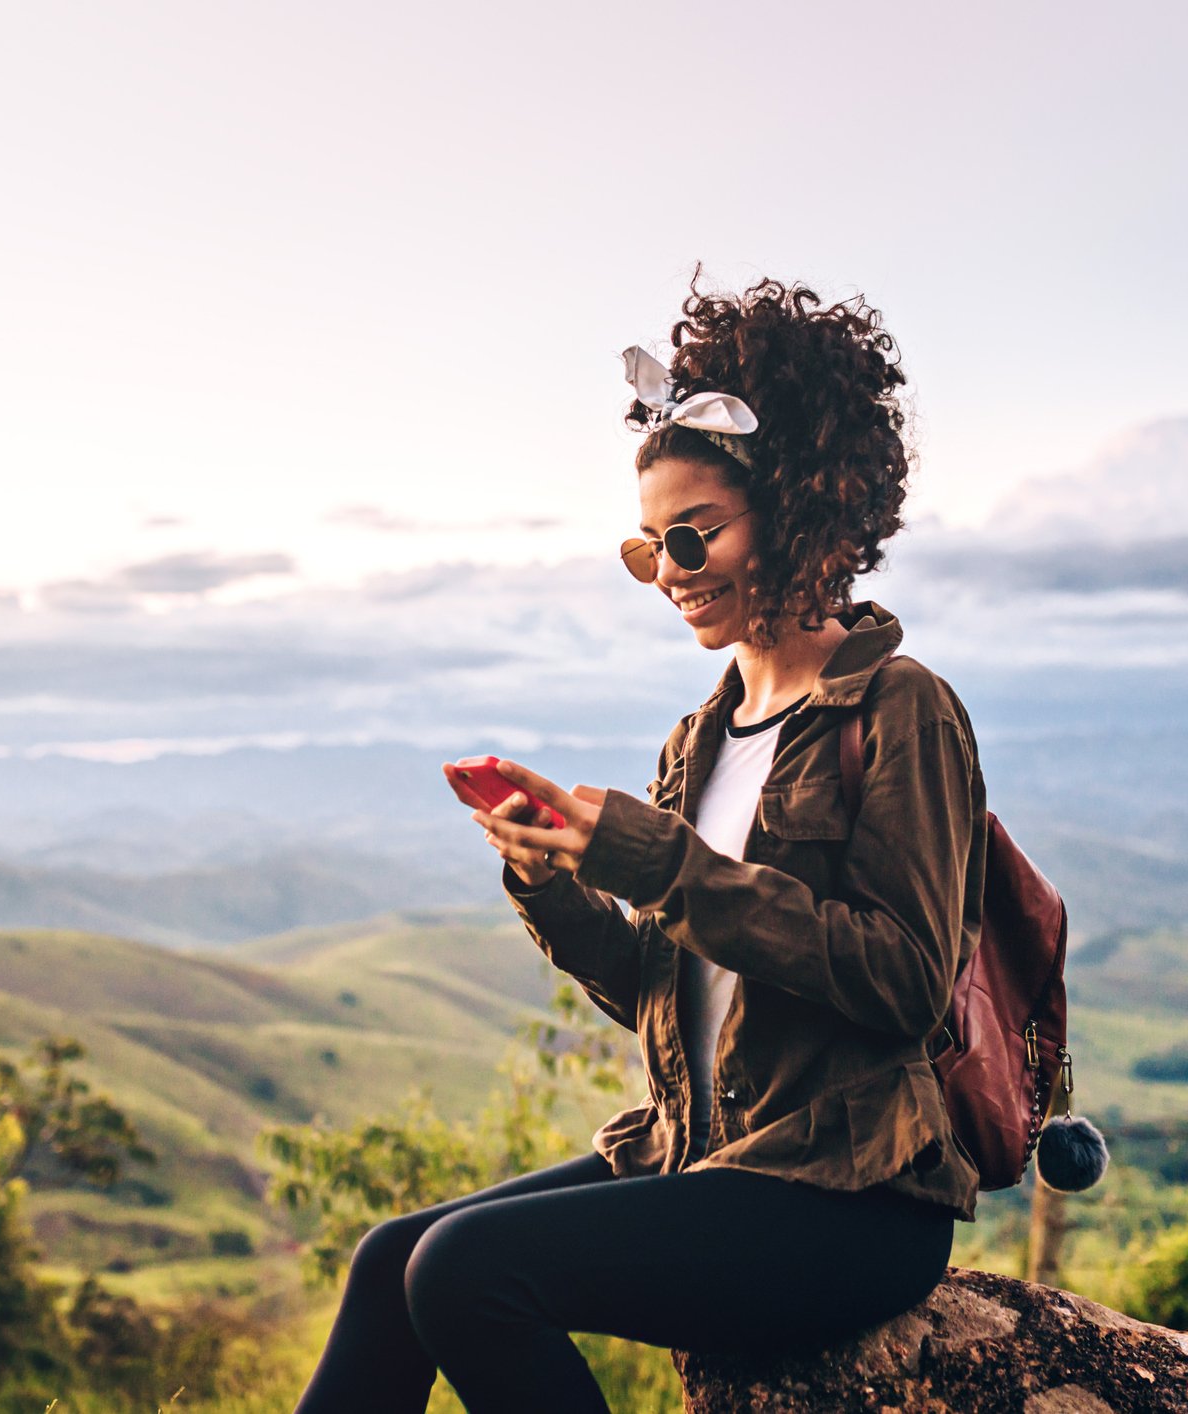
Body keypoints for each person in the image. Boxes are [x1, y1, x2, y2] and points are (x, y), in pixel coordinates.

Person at [291, 270, 989, 1414]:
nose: (666, 571)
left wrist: (659, 862)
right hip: (703, 1159)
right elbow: (671, 998)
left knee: (468, 1272)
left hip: (847, 1194)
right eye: (646, 547)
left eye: (689, 535)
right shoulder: (699, 742)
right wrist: (554, 884)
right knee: (390, 1259)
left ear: (800, 512)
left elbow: (906, 981)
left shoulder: (898, 711)